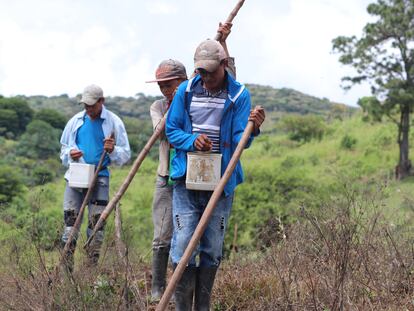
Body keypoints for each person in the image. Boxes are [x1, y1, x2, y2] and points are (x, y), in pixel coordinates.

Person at [165, 37, 265, 310]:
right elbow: (172, 130)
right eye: (200, 71)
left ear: (224, 65)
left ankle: (203, 307)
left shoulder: (239, 95)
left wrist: (252, 130)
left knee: (211, 247)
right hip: (187, 178)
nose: (205, 76)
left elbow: (238, 140)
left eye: (210, 71)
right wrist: (192, 140)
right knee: (184, 241)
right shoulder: (185, 91)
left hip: (220, 180)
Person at [147, 23, 236, 302]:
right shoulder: (163, 106)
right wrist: (176, 105)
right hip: (169, 176)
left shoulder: (198, 93)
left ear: (183, 80)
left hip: (203, 176)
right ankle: (160, 289)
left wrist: (222, 41)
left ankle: (198, 300)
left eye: (169, 85)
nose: (164, 90)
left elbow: (229, 78)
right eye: (160, 86)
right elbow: (165, 133)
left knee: (201, 241)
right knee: (167, 237)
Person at [59, 84, 131, 272]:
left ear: (102, 101)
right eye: (86, 106)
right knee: (70, 222)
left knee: (96, 226)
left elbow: (125, 154)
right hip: (76, 176)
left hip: (100, 178)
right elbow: (63, 150)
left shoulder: (114, 122)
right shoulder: (75, 121)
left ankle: (89, 272)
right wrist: (70, 154)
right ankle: (67, 273)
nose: (89, 109)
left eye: (92, 105)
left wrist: (112, 149)